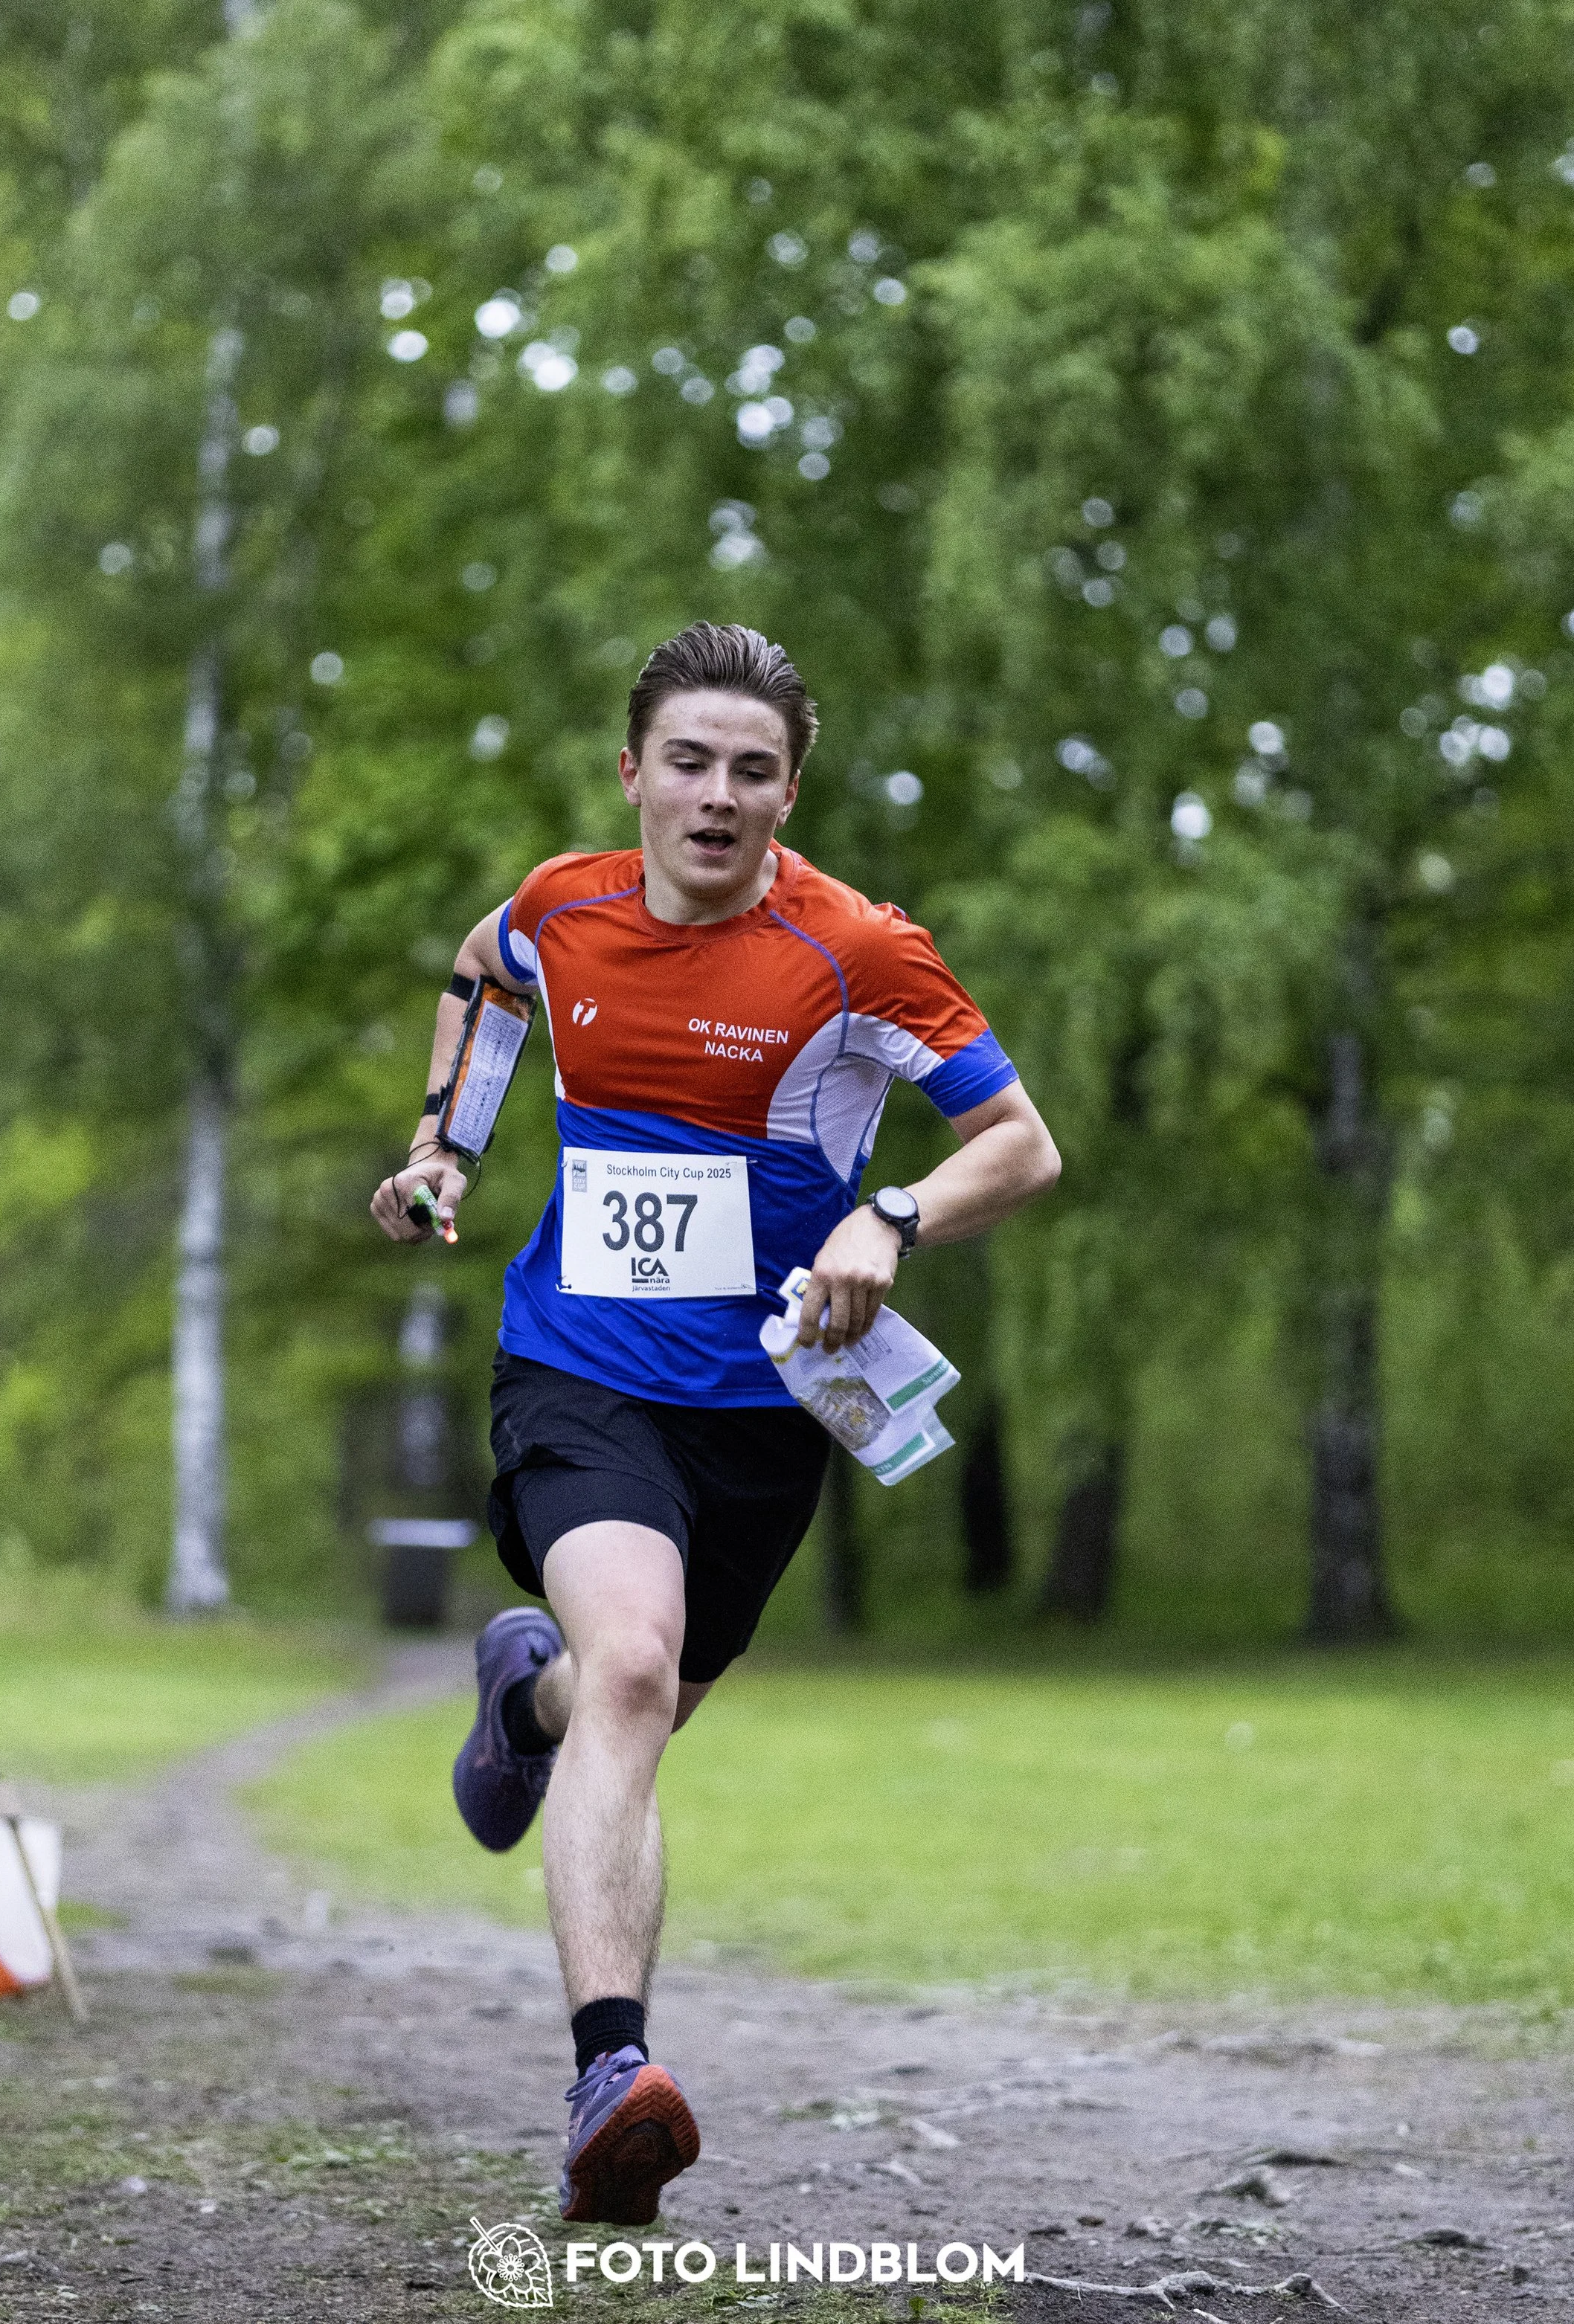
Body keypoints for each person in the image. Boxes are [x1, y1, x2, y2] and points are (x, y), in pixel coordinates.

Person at [370, 622, 1059, 2227]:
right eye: (686, 760)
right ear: (633, 772)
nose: (715, 795)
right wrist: (443, 1149)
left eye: (752, 769)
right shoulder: (565, 904)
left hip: (763, 1404)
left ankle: (517, 1705)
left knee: (638, 1695)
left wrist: (888, 1214)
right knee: (631, 1658)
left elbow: (1017, 1144)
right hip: (578, 1367)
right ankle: (612, 2076)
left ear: (787, 789)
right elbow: (486, 972)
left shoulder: (855, 950)